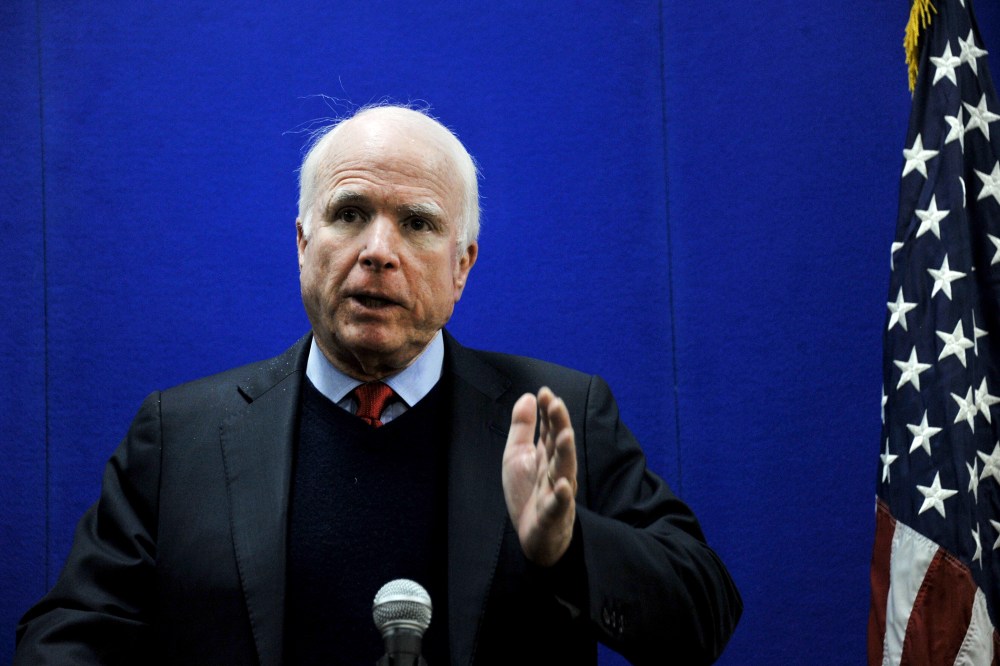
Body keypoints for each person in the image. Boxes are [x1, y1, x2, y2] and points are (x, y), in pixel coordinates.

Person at [14, 105, 742, 665]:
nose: (378, 252)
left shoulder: (558, 417)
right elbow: (66, 638)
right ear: (304, 243)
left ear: (463, 266)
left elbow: (702, 617)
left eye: (418, 224)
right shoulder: (180, 433)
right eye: (350, 214)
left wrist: (570, 546)